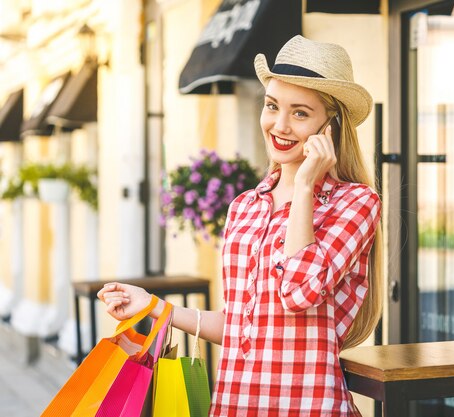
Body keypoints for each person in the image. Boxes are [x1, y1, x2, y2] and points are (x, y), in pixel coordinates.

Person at [97, 35, 382, 417]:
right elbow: (239, 329)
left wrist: (303, 186)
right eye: (271, 106)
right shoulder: (244, 207)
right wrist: (151, 305)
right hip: (235, 405)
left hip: (309, 407)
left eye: (300, 113)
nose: (279, 125)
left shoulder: (356, 203)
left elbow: (299, 292)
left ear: (330, 127)